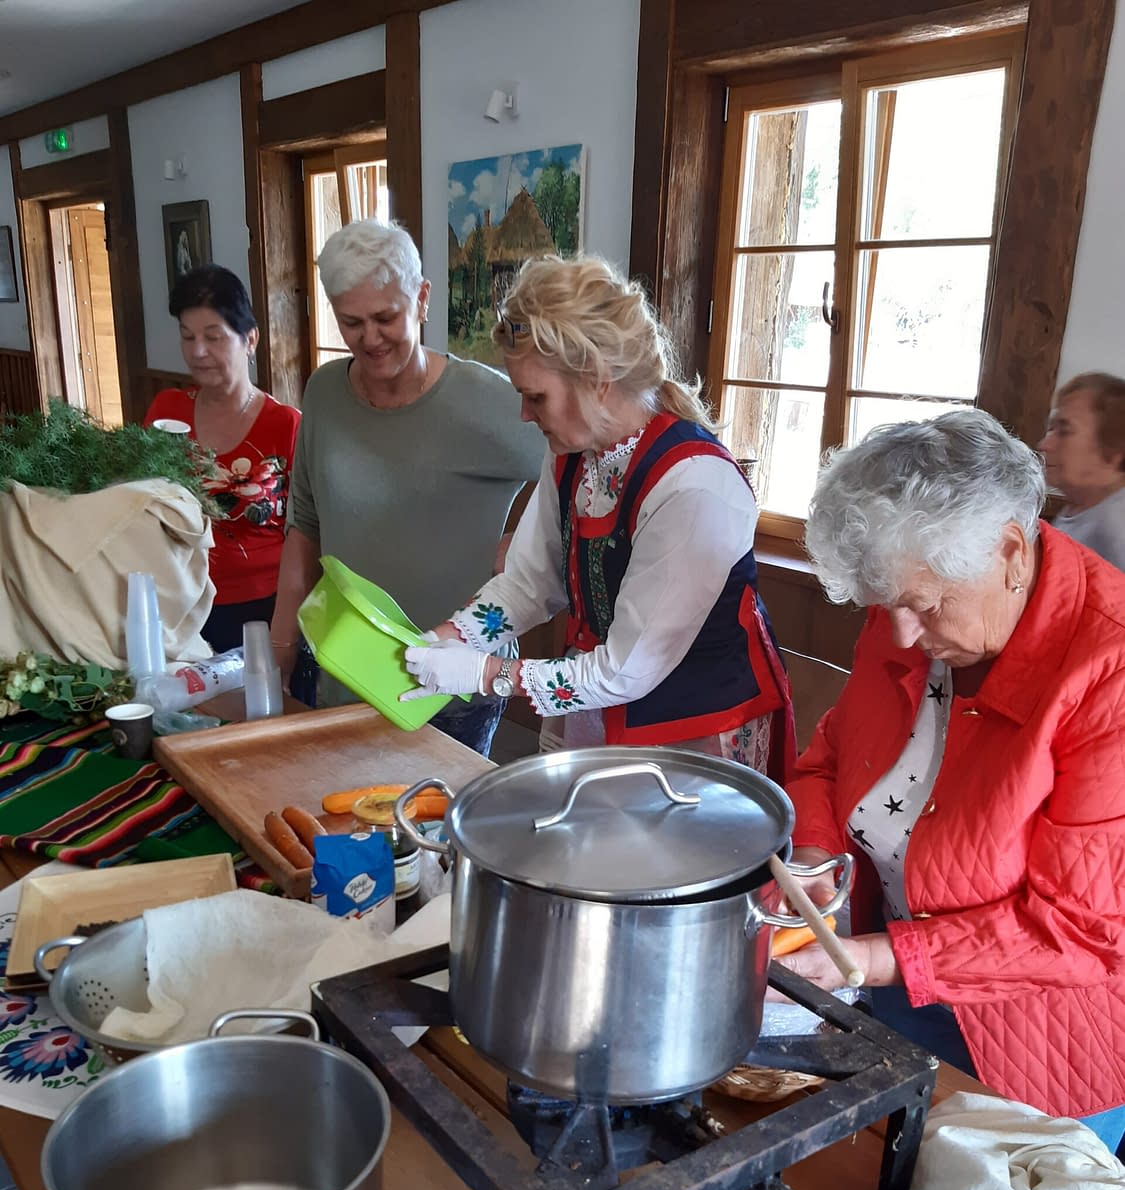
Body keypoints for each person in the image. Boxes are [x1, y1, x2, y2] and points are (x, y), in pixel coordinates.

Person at [780, 408, 1125, 1152]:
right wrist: (812, 858)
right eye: (886, 606)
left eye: (925, 605)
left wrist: (877, 958)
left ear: (1009, 552)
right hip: (889, 990)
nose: (902, 633)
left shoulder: (1109, 672)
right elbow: (831, 755)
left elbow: (1079, 933)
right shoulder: (912, 596)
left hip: (1039, 1049)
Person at [402, 255, 794, 775]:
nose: (524, 414)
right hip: (601, 701)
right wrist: (449, 638)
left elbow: (627, 668)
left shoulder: (693, 485)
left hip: (694, 731)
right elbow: (530, 583)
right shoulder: (574, 451)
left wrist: (486, 674)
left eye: (535, 397)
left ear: (596, 381)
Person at [270, 219, 543, 755]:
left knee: (435, 809)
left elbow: (589, 468)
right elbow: (305, 523)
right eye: (351, 322)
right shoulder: (324, 392)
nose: (370, 339)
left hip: (453, 689)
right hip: (341, 671)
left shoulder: (492, 402)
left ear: (421, 300)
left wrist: (535, 540)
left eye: (385, 317)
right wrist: (281, 644)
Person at [144, 265, 300, 654]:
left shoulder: (285, 424)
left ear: (250, 339)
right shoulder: (167, 411)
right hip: (178, 603)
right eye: (188, 337)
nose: (198, 351)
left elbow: (306, 534)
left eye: (213, 337)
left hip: (264, 610)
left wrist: (286, 634)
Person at [1040, 371, 1125, 570]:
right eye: (1051, 429)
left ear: (1114, 451)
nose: (1045, 444)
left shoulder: (1116, 529)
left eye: (1064, 431)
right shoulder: (1081, 507)